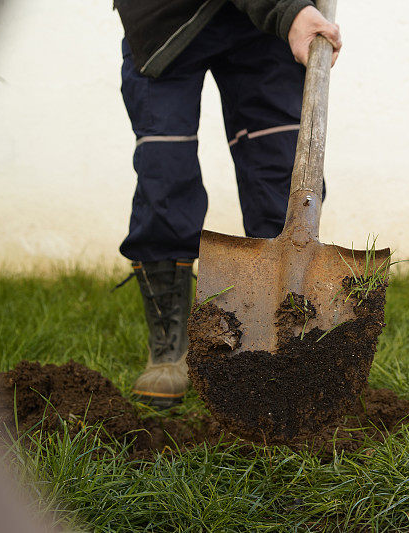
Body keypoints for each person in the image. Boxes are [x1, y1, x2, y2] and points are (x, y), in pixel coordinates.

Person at [113, 0, 341, 408]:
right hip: (165, 21)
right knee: (164, 169)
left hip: (260, 24)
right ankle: (168, 344)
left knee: (280, 168)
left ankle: (278, 338)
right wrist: (289, 10)